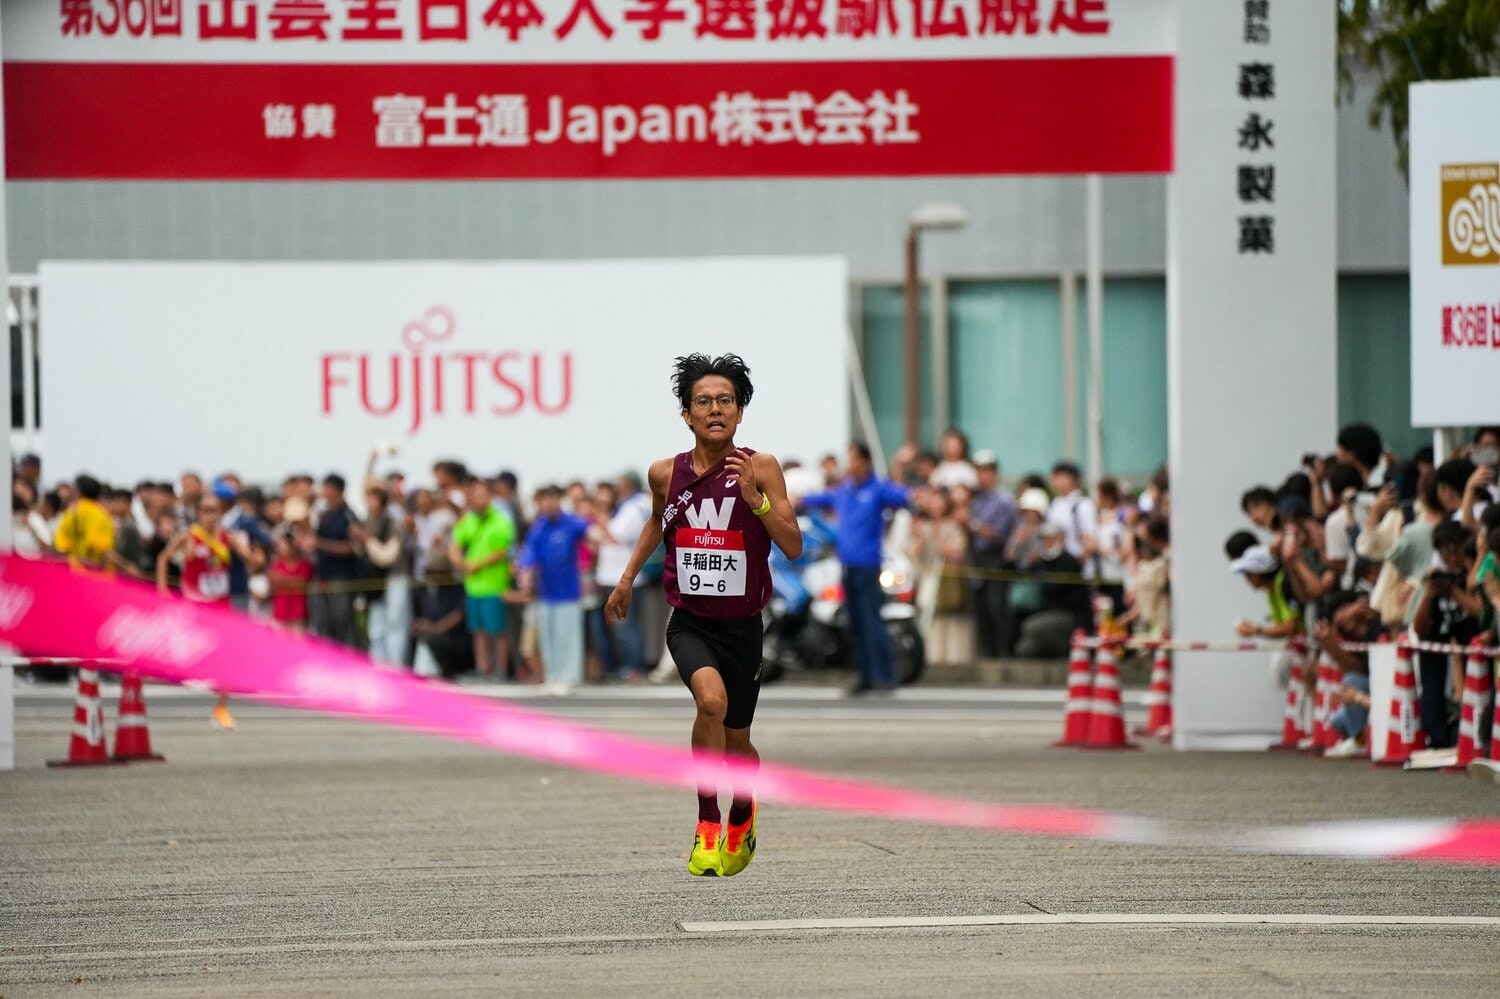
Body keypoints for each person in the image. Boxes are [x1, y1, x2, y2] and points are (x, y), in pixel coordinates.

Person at [605, 353, 802, 879]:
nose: (715, 410)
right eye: (703, 402)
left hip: (743, 626)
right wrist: (625, 579)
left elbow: (794, 546)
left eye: (725, 401)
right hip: (690, 620)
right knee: (710, 703)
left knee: (738, 740)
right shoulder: (665, 473)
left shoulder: (761, 468)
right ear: (686, 415)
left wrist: (756, 500)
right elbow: (656, 523)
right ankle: (707, 822)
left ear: (740, 413)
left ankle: (743, 810)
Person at [802, 441, 911, 695]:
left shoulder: (877, 489)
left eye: (852, 458)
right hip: (848, 567)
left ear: (863, 461)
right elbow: (818, 499)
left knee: (873, 624)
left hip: (868, 567)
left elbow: (903, 496)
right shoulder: (844, 491)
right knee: (855, 624)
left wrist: (913, 488)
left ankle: (886, 677)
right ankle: (865, 676)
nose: (848, 464)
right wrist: (794, 498)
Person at [156, 494, 252, 728]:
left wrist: (252, 555)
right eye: (206, 510)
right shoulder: (188, 536)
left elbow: (250, 558)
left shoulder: (226, 537)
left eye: (214, 510)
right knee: (191, 650)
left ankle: (221, 708)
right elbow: (163, 558)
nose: (210, 515)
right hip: (196, 603)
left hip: (221, 603)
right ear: (199, 513)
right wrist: (162, 590)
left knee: (229, 654)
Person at [518, 485, 593, 692]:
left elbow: (590, 531)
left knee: (567, 637)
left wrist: (598, 536)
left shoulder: (570, 523)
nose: (549, 504)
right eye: (545, 500)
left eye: (553, 499)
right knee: (548, 638)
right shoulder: (539, 528)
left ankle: (569, 677)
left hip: (568, 592)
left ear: (559, 501)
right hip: (545, 592)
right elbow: (529, 554)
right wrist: (525, 572)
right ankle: (552, 676)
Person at [451, 477, 516, 680]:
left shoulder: (501, 520)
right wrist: (460, 563)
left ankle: (500, 669)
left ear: (490, 496)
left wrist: (474, 565)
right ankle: (482, 668)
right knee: (478, 631)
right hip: (473, 586)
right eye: (475, 495)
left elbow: (501, 551)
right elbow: (454, 546)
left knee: (497, 631)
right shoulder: (467, 520)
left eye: (483, 494)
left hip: (495, 585)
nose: (479, 499)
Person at [595, 471, 654, 679]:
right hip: (615, 574)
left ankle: (633, 667)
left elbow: (617, 535)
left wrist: (602, 519)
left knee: (626, 625)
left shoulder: (634, 507)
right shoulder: (629, 505)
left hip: (625, 576)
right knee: (622, 625)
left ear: (628, 485)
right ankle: (627, 665)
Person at [966, 449, 1017, 659]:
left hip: (996, 558)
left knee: (997, 607)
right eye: (978, 470)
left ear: (995, 473)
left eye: (986, 470)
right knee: (981, 609)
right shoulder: (975, 499)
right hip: (977, 558)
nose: (982, 475)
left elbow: (999, 534)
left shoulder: (1004, 500)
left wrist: (973, 524)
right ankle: (986, 653)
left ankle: (1004, 652)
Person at [309, 474, 362, 648]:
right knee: (323, 624)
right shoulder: (323, 515)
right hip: (322, 576)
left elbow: (352, 548)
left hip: (341, 577)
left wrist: (320, 544)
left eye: (326, 488)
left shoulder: (348, 515)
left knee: (343, 623)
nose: (323, 492)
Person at [53, 474, 116, 571]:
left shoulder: (68, 514)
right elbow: (103, 550)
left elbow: (61, 547)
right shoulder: (102, 515)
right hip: (95, 576)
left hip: (70, 573)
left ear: (77, 491)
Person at [1046, 462, 1097, 568]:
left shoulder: (1083, 505)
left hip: (1079, 566)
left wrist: (1079, 560)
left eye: (1058, 477)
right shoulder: (1055, 504)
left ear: (1070, 478)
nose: (1054, 481)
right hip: (1057, 565)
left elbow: (1089, 538)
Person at [268, 530, 313, 633]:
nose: (279, 548)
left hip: (298, 614)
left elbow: (302, 584)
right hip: (280, 613)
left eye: (283, 545)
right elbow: (272, 586)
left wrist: (282, 580)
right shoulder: (277, 565)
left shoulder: (304, 564)